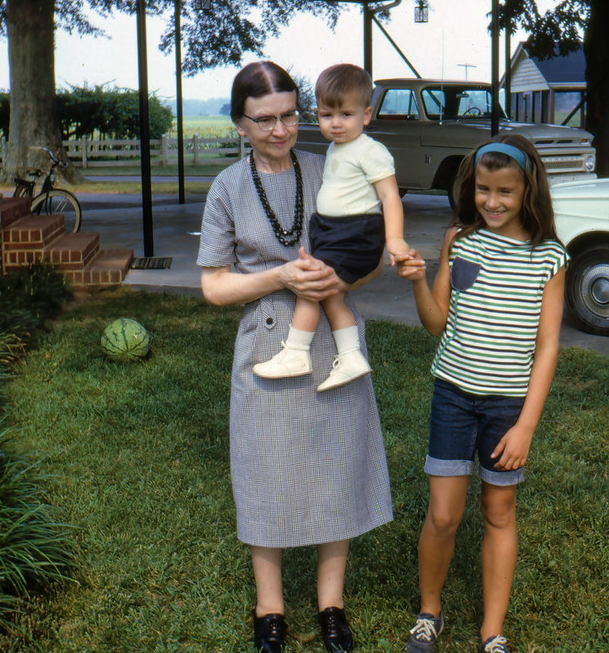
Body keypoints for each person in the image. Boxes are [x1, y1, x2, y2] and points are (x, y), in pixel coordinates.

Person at [197, 61, 393, 653]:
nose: (280, 131)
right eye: (264, 121)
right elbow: (213, 286)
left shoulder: (332, 163)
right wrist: (282, 275)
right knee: (267, 471)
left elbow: (371, 251)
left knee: (336, 465)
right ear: (239, 124)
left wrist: (338, 279)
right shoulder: (227, 188)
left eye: (289, 116)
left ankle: (332, 604)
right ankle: (270, 608)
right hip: (266, 344)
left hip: (334, 344)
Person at [396, 134, 567, 653]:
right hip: (453, 397)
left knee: (499, 512)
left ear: (527, 192)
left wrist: (526, 426)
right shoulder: (459, 241)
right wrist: (419, 281)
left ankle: (493, 632)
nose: (491, 202)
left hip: (507, 409)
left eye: (505, 192)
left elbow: (548, 348)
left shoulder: (549, 257)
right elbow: (435, 324)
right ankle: (430, 613)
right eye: (483, 190)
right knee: (444, 514)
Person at [253, 63, 410, 391]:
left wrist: (394, 239)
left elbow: (390, 197)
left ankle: (296, 353)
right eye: (326, 115)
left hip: (356, 233)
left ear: (366, 115)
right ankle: (351, 356)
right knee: (330, 294)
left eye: (345, 115)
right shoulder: (339, 148)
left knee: (312, 286)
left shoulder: (371, 151)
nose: (335, 123)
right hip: (333, 231)